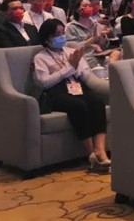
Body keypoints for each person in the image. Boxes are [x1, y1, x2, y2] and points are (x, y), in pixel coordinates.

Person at [33, 19, 109, 171]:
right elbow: (44, 82)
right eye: (57, 34)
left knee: (97, 102)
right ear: (47, 38)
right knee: (78, 106)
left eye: (63, 33)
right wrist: (69, 67)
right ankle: (91, 153)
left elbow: (85, 74)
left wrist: (77, 65)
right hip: (56, 91)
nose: (61, 37)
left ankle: (100, 150)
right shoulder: (40, 57)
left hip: (77, 85)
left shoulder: (70, 51)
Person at [65, 0, 117, 68]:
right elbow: (73, 47)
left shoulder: (95, 25)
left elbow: (103, 46)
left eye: (90, 6)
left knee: (116, 54)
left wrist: (102, 36)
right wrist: (92, 40)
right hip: (85, 58)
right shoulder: (71, 27)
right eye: (85, 6)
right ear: (77, 10)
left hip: (99, 56)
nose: (88, 8)